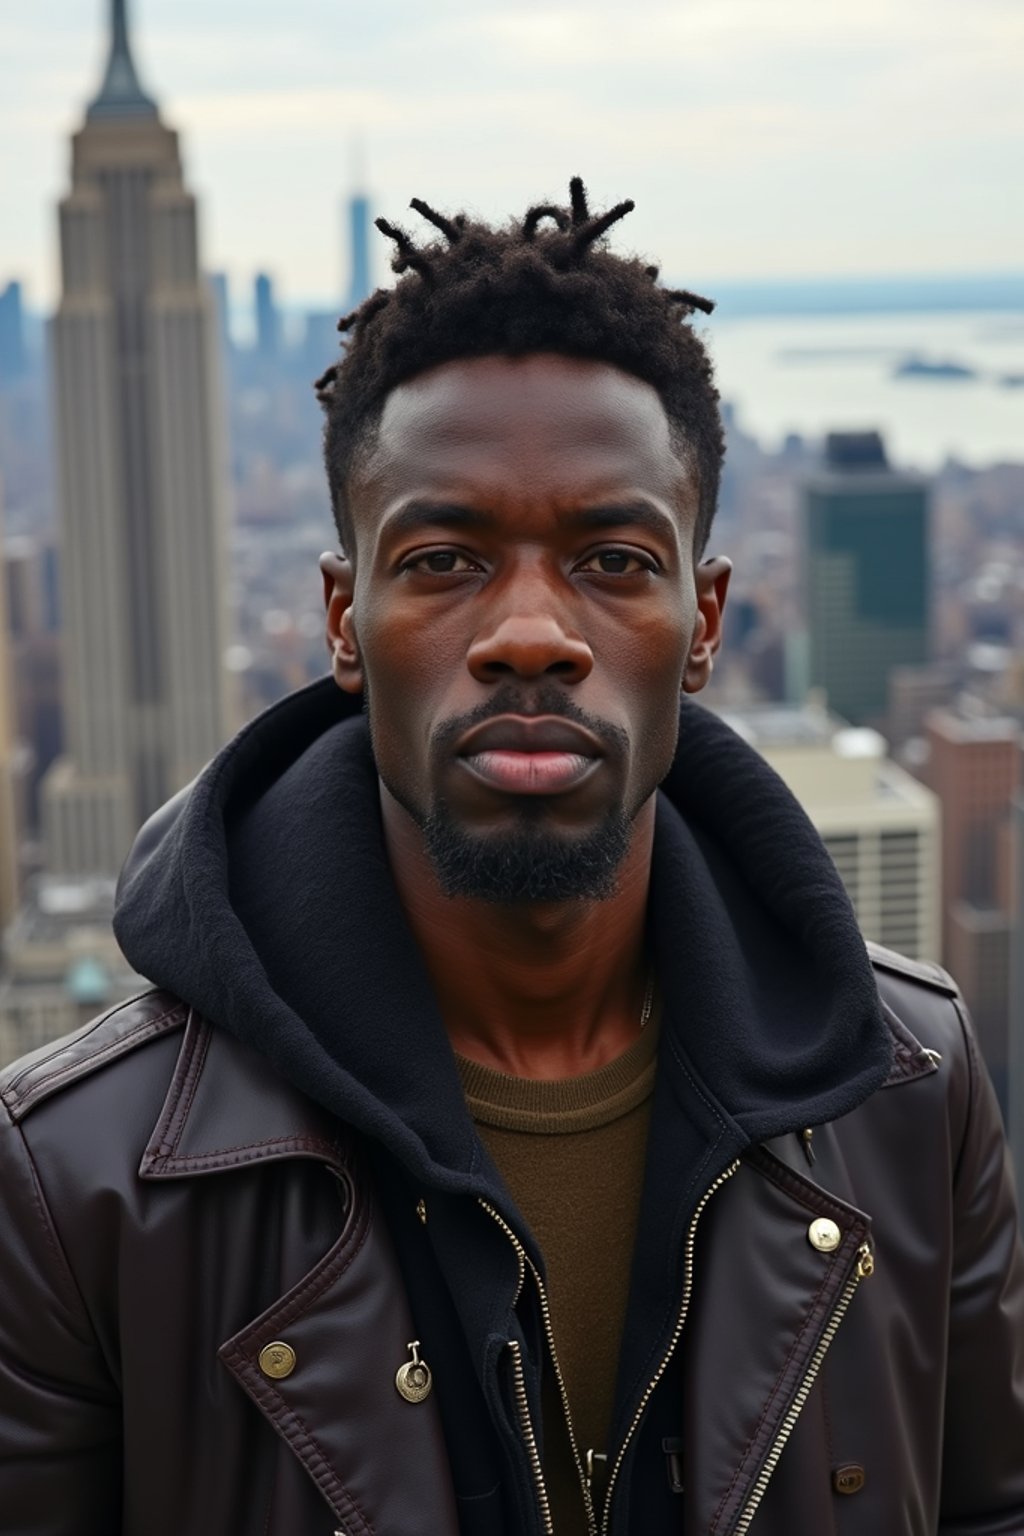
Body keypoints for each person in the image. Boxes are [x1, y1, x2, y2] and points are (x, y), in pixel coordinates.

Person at [1, 179, 1022, 1536]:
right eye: (443, 559)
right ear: (343, 616)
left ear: (704, 618)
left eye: (610, 556)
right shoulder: (75, 1179)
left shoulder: (915, 1087)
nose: (531, 631)